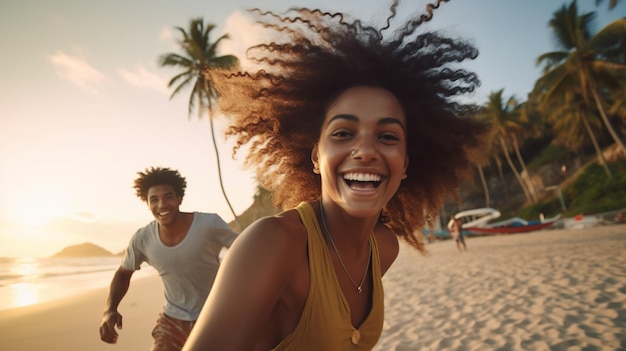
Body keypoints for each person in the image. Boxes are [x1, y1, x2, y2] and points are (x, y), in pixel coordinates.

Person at [184, 1, 488, 350]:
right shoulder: (273, 244)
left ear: (405, 164)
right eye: (343, 133)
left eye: (387, 136)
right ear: (315, 156)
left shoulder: (383, 247)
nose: (367, 150)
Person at [99, 167, 238, 350]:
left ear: (180, 198)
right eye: (154, 199)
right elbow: (123, 273)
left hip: (216, 316)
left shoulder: (208, 224)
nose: (162, 204)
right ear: (147, 204)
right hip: (173, 320)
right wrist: (110, 309)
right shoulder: (142, 238)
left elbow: (245, 251)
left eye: (168, 197)